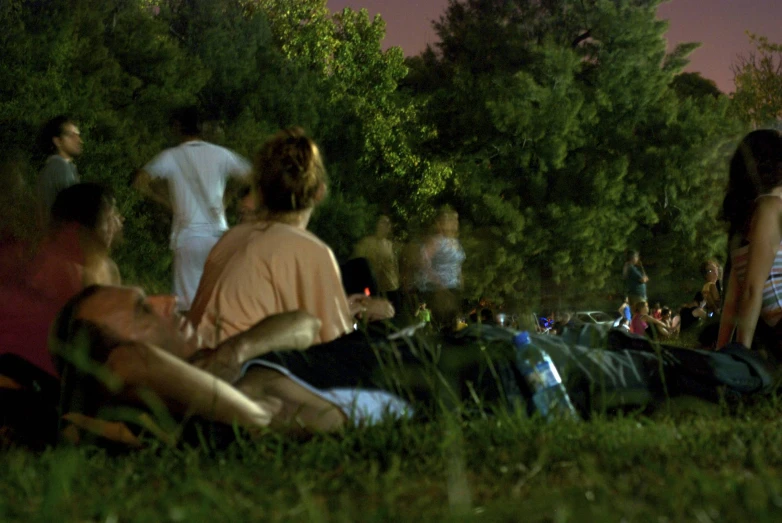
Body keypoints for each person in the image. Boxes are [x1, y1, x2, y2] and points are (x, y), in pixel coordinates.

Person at [189, 127, 394, 347]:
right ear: (319, 193)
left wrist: (342, 307)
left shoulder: (231, 239)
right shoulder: (309, 251)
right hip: (240, 371)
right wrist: (365, 313)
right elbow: (335, 345)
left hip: (199, 362)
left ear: (261, 190)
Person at [134, 106, 251, 311]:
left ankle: (191, 341)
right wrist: (228, 197)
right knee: (218, 303)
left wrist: (167, 203)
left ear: (177, 128)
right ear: (202, 128)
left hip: (187, 237)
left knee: (187, 306)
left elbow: (140, 182)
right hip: (218, 236)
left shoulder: (170, 156)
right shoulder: (221, 154)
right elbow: (252, 175)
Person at [718, 129, 782, 355]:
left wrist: (729, 354)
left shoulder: (759, 213)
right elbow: (743, 295)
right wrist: (729, 357)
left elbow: (742, 296)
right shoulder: (765, 209)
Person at [414, 206, 466, 329]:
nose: (454, 223)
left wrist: (461, 278)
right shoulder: (436, 241)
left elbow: (458, 264)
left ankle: (453, 338)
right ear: (441, 223)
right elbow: (422, 261)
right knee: (434, 321)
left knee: (453, 321)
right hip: (434, 289)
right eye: (450, 220)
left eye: (456, 220)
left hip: (452, 287)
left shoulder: (456, 242)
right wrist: (437, 282)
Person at [36, 116, 82, 225]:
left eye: (78, 135)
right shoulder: (59, 169)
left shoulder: (62, 167)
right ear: (58, 141)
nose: (79, 140)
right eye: (71, 135)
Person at [352, 215, 400, 307]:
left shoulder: (390, 245)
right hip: (374, 291)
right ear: (376, 225)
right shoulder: (366, 243)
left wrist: (397, 281)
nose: (387, 225)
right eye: (384, 222)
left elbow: (395, 265)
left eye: (389, 223)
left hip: (392, 289)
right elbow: (357, 265)